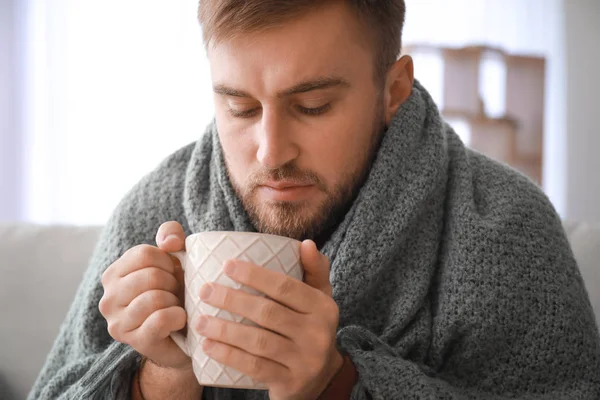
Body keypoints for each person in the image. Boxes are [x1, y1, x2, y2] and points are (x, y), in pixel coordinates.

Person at [29, 1, 600, 399]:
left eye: (314, 106)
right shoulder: (152, 210)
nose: (271, 152)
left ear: (392, 89)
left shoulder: (505, 230)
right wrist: (160, 379)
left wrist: (335, 384)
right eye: (241, 108)